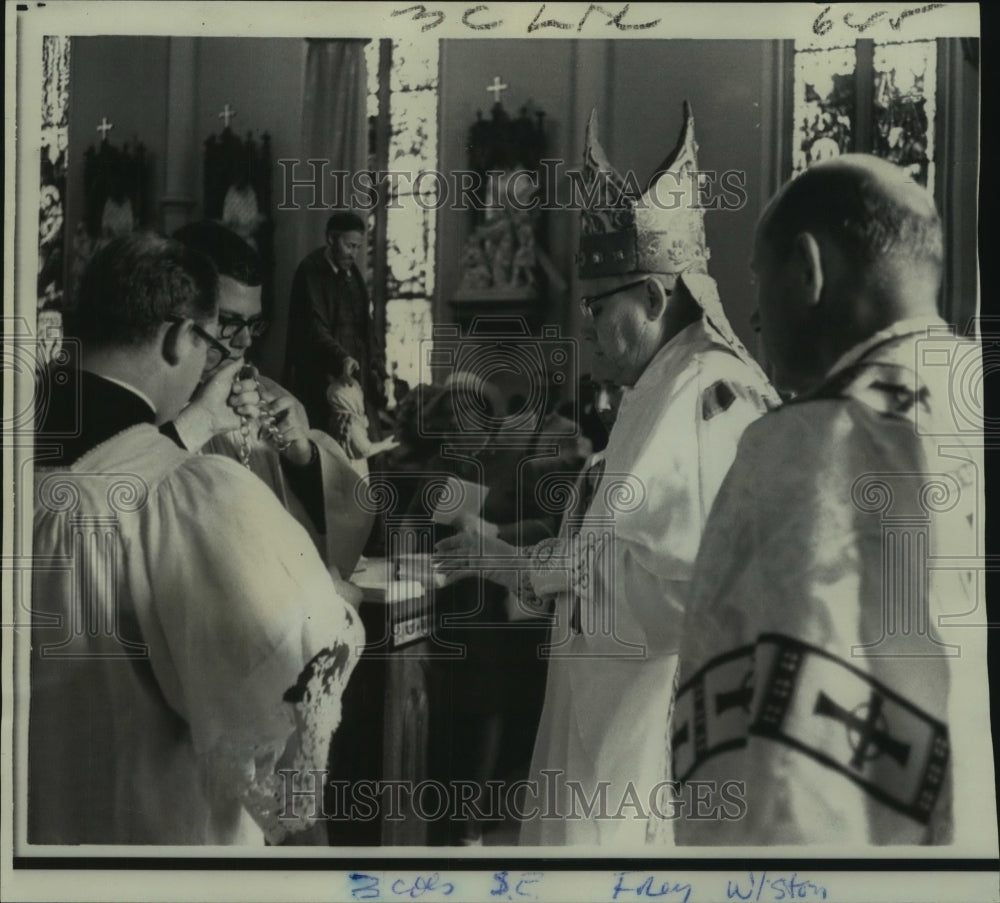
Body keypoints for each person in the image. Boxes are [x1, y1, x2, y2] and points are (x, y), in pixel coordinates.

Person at [436, 103, 778, 846]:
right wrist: (518, 563)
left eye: (597, 307)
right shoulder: (660, 381)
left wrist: (511, 561)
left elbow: (690, 580)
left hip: (650, 704)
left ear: (655, 297)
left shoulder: (703, 391)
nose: (586, 327)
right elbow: (610, 545)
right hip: (603, 691)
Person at [672, 155, 993, 846]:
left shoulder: (800, 445)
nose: (755, 312)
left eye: (760, 277)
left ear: (808, 268)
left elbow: (780, 775)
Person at [30, 233, 364, 845]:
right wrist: (339, 607)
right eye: (219, 333)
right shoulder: (189, 489)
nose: (233, 351)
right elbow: (290, 677)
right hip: (157, 840)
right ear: (180, 337)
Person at [171, 221, 373, 581]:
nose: (246, 341)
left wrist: (304, 459)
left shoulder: (269, 396)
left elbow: (346, 529)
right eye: (230, 322)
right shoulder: (154, 405)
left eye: (254, 324)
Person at [286, 211, 386, 440]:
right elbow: (314, 327)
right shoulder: (310, 271)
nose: (354, 253)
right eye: (349, 245)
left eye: (358, 247)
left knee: (367, 441)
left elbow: (366, 325)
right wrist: (341, 358)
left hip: (355, 372)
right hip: (323, 376)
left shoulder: (353, 273)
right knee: (330, 442)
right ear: (331, 239)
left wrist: (378, 365)